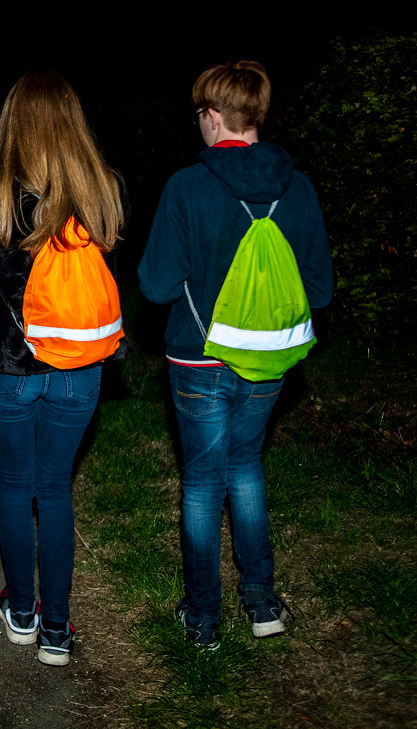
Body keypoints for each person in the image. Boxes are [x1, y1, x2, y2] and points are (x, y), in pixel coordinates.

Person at [138, 60, 333, 648]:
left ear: (215, 116)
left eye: (201, 113)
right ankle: (263, 604)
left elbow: (157, 285)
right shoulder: (297, 186)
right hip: (270, 359)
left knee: (202, 483)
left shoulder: (187, 185)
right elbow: (320, 289)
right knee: (245, 467)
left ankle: (203, 620)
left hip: (199, 357)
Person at [0, 70, 127, 666]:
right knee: (55, 490)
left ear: (12, 123)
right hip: (80, 362)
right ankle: (57, 629)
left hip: (9, 367)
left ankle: (21, 611)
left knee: (14, 484)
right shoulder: (99, 188)